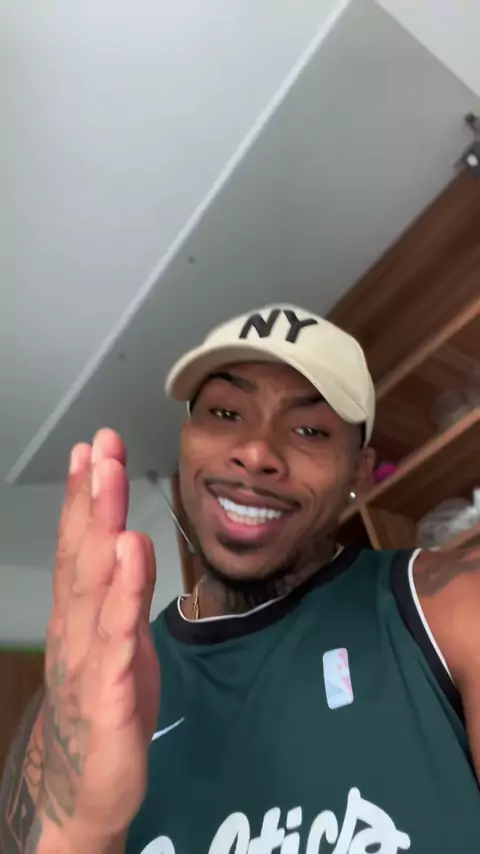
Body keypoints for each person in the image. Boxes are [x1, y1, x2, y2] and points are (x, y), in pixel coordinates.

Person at [1, 304, 479, 854]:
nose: (255, 453)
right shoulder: (81, 702)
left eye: (309, 430)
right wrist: (85, 831)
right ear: (186, 440)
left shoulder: (451, 607)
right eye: (226, 413)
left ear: (360, 472)